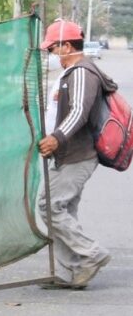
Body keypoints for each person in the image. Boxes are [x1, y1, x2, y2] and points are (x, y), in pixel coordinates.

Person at [38, 19, 117, 289]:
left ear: (67, 46)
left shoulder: (82, 71)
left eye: (53, 48)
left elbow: (78, 113)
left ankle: (91, 254)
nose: (51, 54)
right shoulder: (70, 72)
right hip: (67, 154)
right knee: (63, 209)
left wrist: (56, 138)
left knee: (49, 206)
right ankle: (72, 271)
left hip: (76, 154)